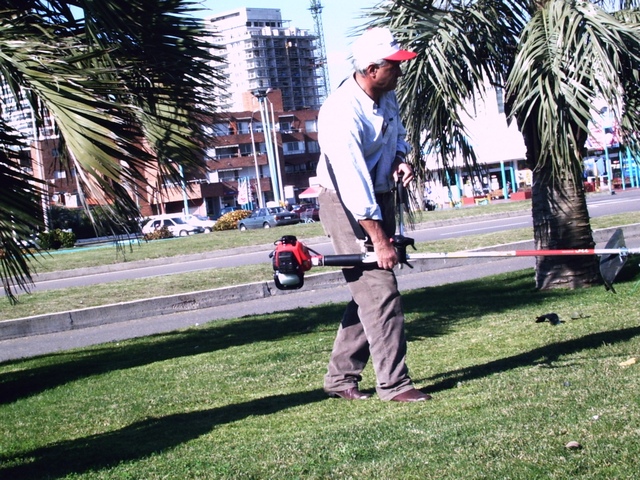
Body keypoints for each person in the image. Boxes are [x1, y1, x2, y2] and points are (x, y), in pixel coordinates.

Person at [315, 27, 431, 402]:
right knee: (380, 291)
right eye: (393, 65)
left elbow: (397, 136)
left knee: (368, 292)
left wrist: (401, 158)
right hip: (346, 204)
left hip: (379, 196)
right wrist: (379, 240)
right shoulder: (340, 113)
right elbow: (352, 185)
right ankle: (395, 385)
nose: (400, 70)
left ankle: (339, 378)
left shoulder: (386, 94)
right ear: (369, 68)